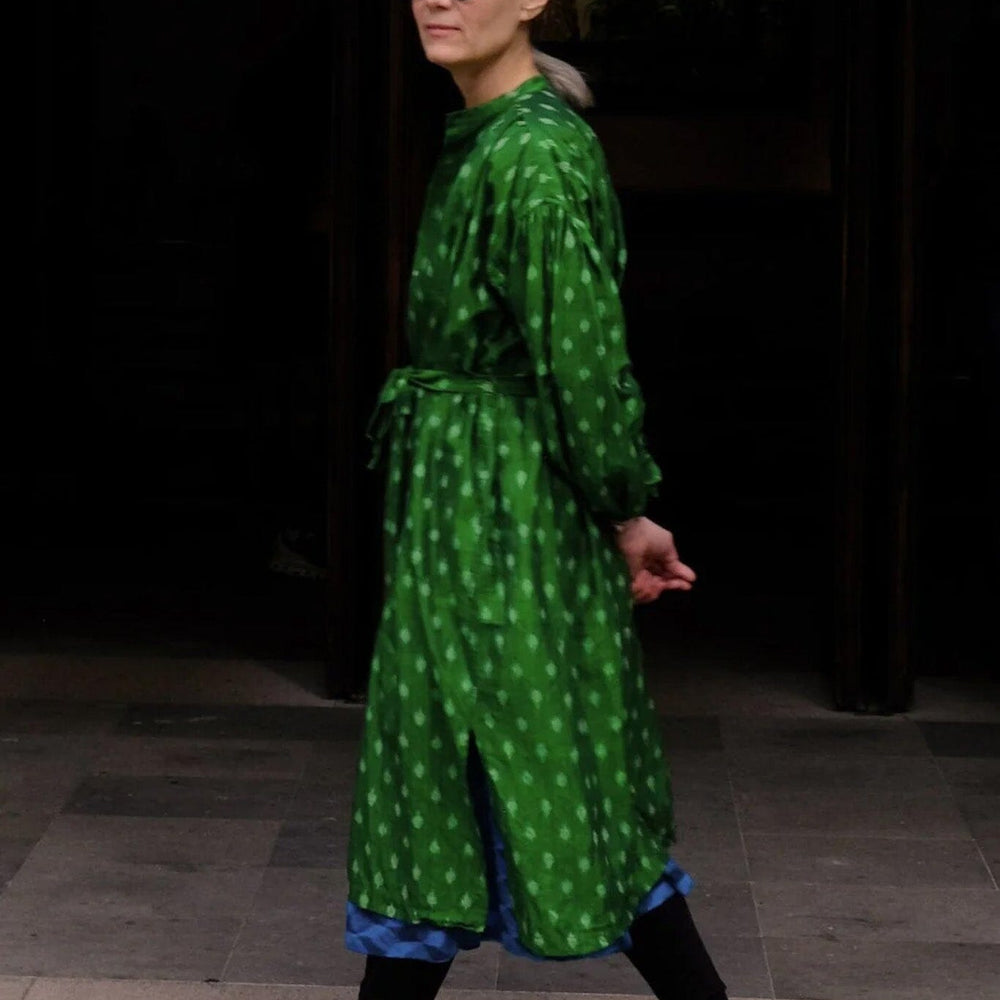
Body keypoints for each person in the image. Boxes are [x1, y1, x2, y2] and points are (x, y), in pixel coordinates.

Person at [345, 2, 728, 998]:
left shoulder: (534, 156)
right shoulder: (483, 139)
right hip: (464, 508)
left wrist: (623, 503)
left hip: (505, 514)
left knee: (548, 759)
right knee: (449, 769)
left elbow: (584, 363)